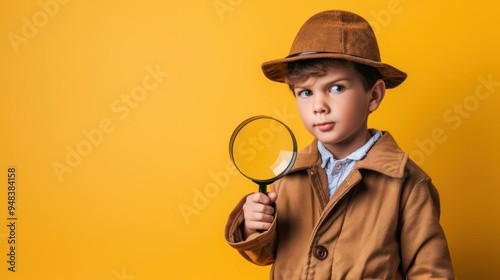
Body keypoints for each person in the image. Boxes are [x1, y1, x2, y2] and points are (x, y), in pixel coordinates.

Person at [225, 10, 454, 279]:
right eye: (306, 92)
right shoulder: (287, 175)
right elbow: (265, 253)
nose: (318, 106)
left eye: (336, 88)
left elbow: (430, 272)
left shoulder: (407, 184)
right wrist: (255, 227)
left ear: (374, 95)